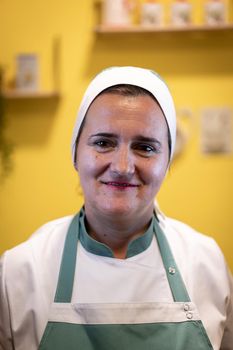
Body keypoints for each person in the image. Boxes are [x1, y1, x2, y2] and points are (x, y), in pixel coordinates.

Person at [0, 66, 232, 350]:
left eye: (145, 148)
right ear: (75, 153)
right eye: (103, 142)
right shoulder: (21, 271)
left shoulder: (206, 264)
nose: (122, 167)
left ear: (167, 162)